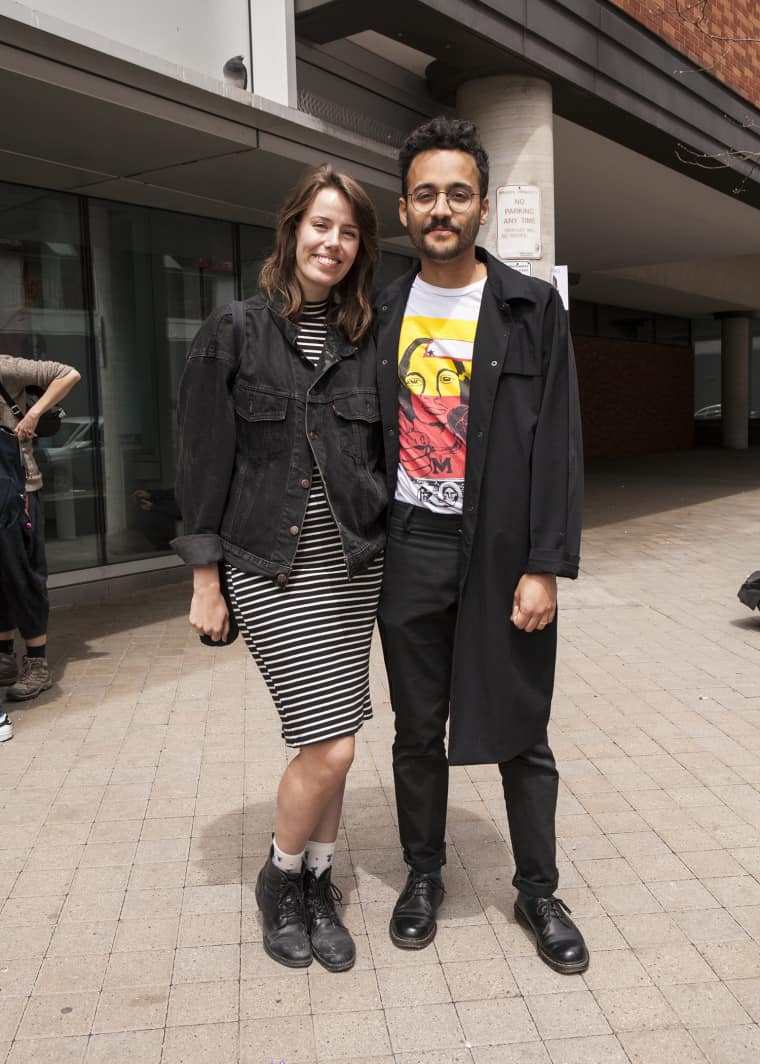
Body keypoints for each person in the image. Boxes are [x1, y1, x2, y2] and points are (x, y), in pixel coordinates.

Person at [375, 116, 588, 974]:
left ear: (484, 207)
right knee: (416, 729)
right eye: (426, 193)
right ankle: (424, 874)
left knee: (521, 730)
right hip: (409, 545)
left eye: (458, 194)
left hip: (502, 550)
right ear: (403, 210)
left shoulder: (531, 308)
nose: (442, 208)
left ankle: (537, 888)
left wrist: (545, 564)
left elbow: (559, 445)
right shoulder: (380, 309)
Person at [172, 165, 386, 973]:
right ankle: (279, 875)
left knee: (342, 740)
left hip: (356, 563)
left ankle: (318, 880)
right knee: (329, 747)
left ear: (360, 245)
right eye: (320, 225)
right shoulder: (234, 329)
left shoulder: (368, 336)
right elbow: (201, 457)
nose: (332, 243)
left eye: (349, 231)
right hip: (271, 565)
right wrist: (203, 578)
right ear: (293, 229)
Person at [0, 355, 81, 700]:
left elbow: (68, 374)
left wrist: (33, 414)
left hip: (18, 489)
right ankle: (3, 657)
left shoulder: (3, 366)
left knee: (24, 576)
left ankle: (37, 664)